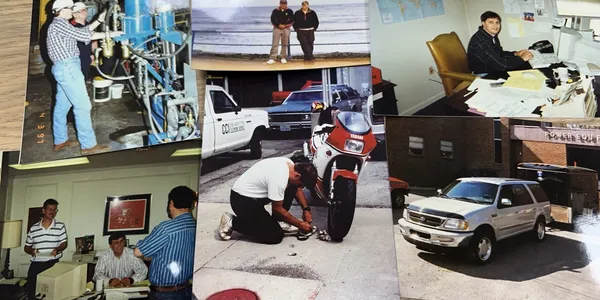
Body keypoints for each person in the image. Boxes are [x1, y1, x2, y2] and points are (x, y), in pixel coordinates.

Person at [47, 0, 110, 155]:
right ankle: (88, 145)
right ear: (62, 10)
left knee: (62, 107)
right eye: (70, 8)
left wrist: (100, 20)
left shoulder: (60, 24)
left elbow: (84, 31)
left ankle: (60, 141)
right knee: (83, 106)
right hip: (68, 68)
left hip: (64, 68)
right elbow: (83, 35)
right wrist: (111, 34)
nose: (72, 11)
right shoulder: (60, 24)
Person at [218, 157, 318, 244]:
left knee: (292, 186)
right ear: (298, 176)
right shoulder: (279, 178)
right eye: (302, 185)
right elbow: (277, 209)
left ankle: (278, 221)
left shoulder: (290, 165)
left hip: (254, 196)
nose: (301, 188)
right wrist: (300, 224)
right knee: (274, 236)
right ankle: (232, 222)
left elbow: (297, 189)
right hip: (242, 201)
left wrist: (306, 209)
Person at [133, 186, 197, 299]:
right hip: (186, 291)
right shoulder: (196, 226)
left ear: (171, 203)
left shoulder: (166, 228)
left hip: (165, 294)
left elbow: (138, 252)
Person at [23, 199, 67, 300]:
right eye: (50, 209)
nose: (52, 212)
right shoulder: (33, 228)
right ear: (43, 210)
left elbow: (64, 243)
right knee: (32, 292)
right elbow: (27, 247)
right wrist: (32, 251)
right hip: (36, 264)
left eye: (55, 210)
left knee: (53, 293)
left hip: (53, 264)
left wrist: (58, 249)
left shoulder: (60, 226)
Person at [467, 11, 533, 75]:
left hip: (492, 68)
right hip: (483, 74)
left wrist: (515, 54)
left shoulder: (491, 35)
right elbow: (502, 65)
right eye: (491, 22)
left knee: (526, 66)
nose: (495, 26)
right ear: (483, 23)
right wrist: (522, 59)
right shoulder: (481, 41)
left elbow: (499, 54)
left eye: (497, 22)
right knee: (525, 70)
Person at [70, 2, 98, 82]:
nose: (85, 12)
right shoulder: (71, 26)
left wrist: (94, 54)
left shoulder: (88, 25)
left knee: (84, 78)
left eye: (85, 9)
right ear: (74, 14)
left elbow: (93, 41)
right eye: (81, 10)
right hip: (76, 58)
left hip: (87, 57)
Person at [268, 0, 294, 65]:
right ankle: (272, 58)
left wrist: (285, 25)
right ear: (280, 4)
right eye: (282, 3)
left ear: (286, 4)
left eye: (285, 3)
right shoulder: (275, 11)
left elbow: (292, 20)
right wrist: (279, 25)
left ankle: (283, 57)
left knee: (284, 44)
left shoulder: (290, 11)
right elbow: (273, 19)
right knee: (275, 43)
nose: (283, 4)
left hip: (286, 29)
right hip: (277, 28)